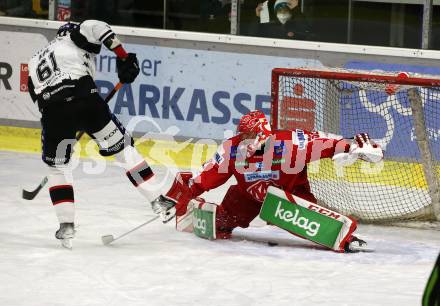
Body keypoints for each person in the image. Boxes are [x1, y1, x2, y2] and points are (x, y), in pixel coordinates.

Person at [151, 110, 383, 252]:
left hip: (290, 192)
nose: (244, 140)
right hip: (247, 195)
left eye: (249, 136)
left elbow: (328, 143)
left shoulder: (293, 143)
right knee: (222, 222)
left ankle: (345, 237)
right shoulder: (231, 149)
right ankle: (221, 219)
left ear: (262, 134)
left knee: (315, 223)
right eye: (243, 135)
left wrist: (355, 146)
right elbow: (204, 178)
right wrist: (177, 197)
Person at [27, 20, 155, 248]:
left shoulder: (35, 60)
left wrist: (67, 119)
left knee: (58, 166)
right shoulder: (76, 33)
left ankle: (66, 225)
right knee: (123, 148)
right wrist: (123, 57)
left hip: (52, 110)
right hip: (86, 98)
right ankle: (157, 199)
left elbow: (36, 97)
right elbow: (97, 27)